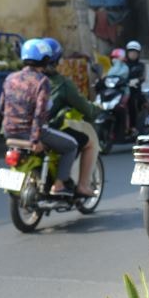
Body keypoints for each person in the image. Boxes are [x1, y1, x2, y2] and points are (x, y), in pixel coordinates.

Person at [1, 40, 93, 198]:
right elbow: (39, 113)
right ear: (45, 60)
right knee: (72, 145)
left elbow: (2, 105)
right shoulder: (41, 81)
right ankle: (59, 185)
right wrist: (35, 139)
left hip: (9, 133)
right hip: (31, 133)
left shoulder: (10, 78)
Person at [44, 48, 102, 196]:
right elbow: (85, 107)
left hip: (12, 131)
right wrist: (94, 111)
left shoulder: (15, 79)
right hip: (40, 130)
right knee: (76, 143)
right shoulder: (59, 83)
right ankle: (65, 184)